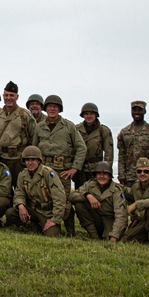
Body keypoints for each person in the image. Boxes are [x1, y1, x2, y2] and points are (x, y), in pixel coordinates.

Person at [32, 94, 87, 236]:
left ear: (59, 109)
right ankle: (44, 225)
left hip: (63, 170)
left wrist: (75, 168)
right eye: (49, 106)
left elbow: (81, 147)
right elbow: (34, 148)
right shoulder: (39, 127)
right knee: (44, 198)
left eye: (55, 107)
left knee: (65, 199)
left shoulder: (69, 126)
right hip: (44, 169)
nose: (52, 109)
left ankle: (70, 230)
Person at [6, 145, 66, 236]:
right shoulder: (23, 174)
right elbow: (19, 192)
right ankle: (31, 225)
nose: (30, 163)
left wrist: (55, 220)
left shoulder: (48, 173)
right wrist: (21, 205)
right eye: (27, 160)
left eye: (33, 160)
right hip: (33, 209)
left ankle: (38, 226)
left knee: (51, 234)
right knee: (11, 213)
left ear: (39, 161)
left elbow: (59, 198)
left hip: (47, 212)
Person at [0, 81, 37, 185]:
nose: (9, 98)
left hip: (19, 159)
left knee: (21, 187)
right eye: (6, 95)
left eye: (12, 95)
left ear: (17, 97)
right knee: (2, 188)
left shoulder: (25, 115)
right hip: (1, 158)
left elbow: (34, 138)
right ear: (3, 96)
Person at [72, 160, 128, 242]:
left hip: (110, 221)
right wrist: (87, 195)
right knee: (79, 204)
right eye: (99, 174)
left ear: (109, 176)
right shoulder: (90, 185)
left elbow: (121, 215)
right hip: (96, 218)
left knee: (108, 237)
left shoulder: (116, 190)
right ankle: (94, 237)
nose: (102, 176)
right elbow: (72, 196)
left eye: (105, 174)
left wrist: (114, 236)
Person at [116, 100, 149, 188]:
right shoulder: (124, 132)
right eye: (134, 110)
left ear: (144, 111)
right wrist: (121, 175)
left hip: (146, 177)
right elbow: (121, 155)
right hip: (129, 178)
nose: (137, 112)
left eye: (139, 110)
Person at [77, 102, 113, 191]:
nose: (89, 116)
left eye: (91, 114)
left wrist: (106, 172)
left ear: (96, 115)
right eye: (86, 114)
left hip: (97, 169)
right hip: (80, 169)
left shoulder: (103, 130)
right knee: (80, 195)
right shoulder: (76, 129)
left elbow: (109, 153)